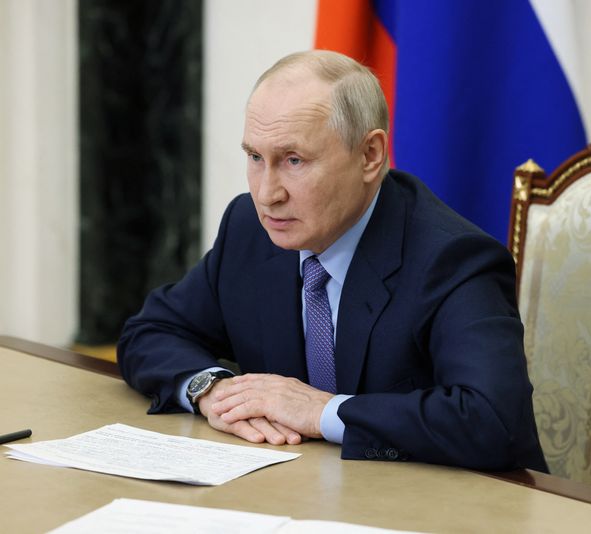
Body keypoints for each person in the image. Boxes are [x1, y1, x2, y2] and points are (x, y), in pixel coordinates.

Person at [117, 50, 548, 472]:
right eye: (254, 157)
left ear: (370, 155)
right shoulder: (250, 228)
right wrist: (212, 390)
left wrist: (324, 413)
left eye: (293, 160)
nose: (268, 194)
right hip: (292, 496)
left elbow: (494, 421)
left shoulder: (452, 259)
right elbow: (150, 331)